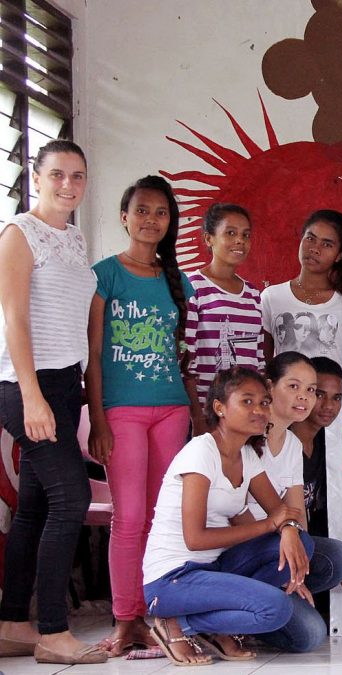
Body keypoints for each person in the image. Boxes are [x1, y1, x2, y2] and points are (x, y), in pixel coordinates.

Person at [0, 140, 105, 665]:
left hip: (64, 384)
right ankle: (53, 632)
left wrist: (72, 387)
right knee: (72, 500)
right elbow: (14, 320)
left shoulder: (74, 238)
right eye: (59, 174)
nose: (69, 184)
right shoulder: (19, 234)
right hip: (26, 384)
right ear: (36, 178)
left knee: (37, 507)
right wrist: (32, 396)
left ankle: (14, 622)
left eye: (79, 176)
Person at [84, 175, 195, 657]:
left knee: (161, 517)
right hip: (121, 411)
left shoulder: (179, 281)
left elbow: (184, 353)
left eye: (161, 212)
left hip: (172, 409)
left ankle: (157, 613)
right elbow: (92, 354)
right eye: (143, 210)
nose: (152, 220)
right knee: (128, 517)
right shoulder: (104, 274)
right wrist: (100, 421)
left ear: (171, 222)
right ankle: (125, 618)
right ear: (124, 216)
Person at [141, 366, 313, 666]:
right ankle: (177, 623)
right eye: (247, 402)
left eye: (264, 402)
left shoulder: (246, 455)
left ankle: (214, 624)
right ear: (219, 408)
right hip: (174, 578)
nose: (259, 410)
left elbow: (281, 512)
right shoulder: (201, 452)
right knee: (275, 609)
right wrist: (272, 524)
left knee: (304, 543)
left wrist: (286, 528)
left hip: (216, 567)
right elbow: (194, 540)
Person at [230, 352, 342, 652]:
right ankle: (233, 610)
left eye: (310, 390)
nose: (305, 397)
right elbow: (235, 511)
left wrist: (297, 568)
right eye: (294, 387)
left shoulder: (292, 444)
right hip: (237, 549)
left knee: (337, 556)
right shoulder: (247, 435)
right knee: (309, 633)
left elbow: (297, 513)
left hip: (277, 551)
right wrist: (290, 544)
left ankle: (275, 595)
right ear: (270, 387)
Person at [290, 357, 342, 625]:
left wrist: (340, 559)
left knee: (314, 628)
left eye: (337, 397)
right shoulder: (281, 442)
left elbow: (324, 511)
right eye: (319, 394)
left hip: (305, 545)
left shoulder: (328, 444)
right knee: (307, 633)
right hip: (277, 546)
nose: (328, 406)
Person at [184, 203, 264, 434]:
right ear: (209, 238)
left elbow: (258, 359)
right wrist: (197, 417)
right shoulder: (192, 287)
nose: (240, 240)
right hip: (208, 412)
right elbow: (186, 360)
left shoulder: (252, 294)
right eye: (230, 233)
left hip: (246, 414)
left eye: (245, 235)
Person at [262, 210, 342, 374]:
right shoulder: (271, 297)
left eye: (327, 244)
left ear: (340, 255)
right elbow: (264, 361)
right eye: (310, 238)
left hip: (334, 397)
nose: (315, 249)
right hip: (287, 396)